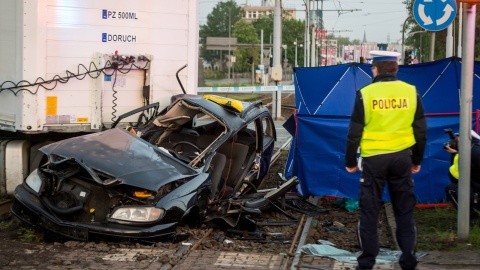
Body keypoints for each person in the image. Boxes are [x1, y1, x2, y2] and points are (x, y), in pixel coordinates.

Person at [344, 50, 427, 270]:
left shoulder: (365, 93)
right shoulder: (411, 92)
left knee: (370, 211)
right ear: (396, 68)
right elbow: (421, 130)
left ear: (375, 69)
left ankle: (366, 263)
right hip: (402, 158)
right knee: (404, 212)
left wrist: (351, 161)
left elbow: (354, 132)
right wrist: (416, 160)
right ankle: (408, 261)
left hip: (374, 160)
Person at [444, 130, 480, 222]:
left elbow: (455, 177)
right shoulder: (474, 151)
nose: (456, 142)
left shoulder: (471, 154)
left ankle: (472, 219)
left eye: (458, 140)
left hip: (477, 194)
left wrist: (456, 155)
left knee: (452, 189)